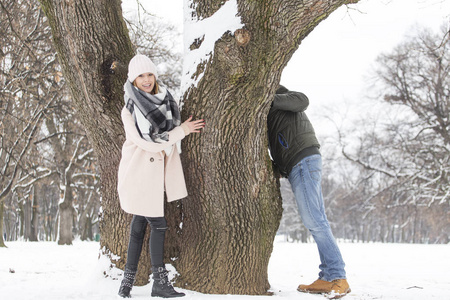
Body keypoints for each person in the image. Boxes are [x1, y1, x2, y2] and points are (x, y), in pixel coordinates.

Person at [117, 54, 205, 298]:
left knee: (138, 226)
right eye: (140, 76)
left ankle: (127, 283)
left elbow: (164, 137)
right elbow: (150, 143)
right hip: (139, 173)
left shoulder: (166, 99)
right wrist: (182, 131)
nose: (146, 80)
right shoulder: (130, 109)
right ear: (133, 80)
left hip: (155, 175)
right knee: (158, 224)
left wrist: (180, 129)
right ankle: (160, 283)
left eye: (149, 74)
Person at [267, 85, 350, 299]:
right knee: (317, 220)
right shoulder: (269, 113)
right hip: (297, 164)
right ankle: (327, 276)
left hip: (303, 160)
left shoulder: (285, 99)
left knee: (314, 220)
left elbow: (303, 99)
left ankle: (338, 277)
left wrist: (269, 96)